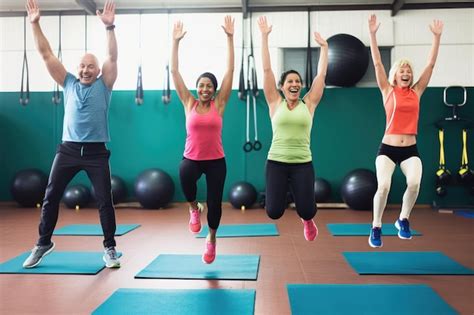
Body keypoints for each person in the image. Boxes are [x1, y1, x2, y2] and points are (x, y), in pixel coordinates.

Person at [23, 0, 120, 268]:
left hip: (96, 152)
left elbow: (112, 57)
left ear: (98, 71)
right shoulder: (67, 83)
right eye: (82, 66)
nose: (85, 70)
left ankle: (110, 248)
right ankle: (43, 243)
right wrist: (35, 24)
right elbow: (46, 54)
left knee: (104, 201)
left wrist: (110, 27)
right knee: (51, 195)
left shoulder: (105, 85)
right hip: (67, 150)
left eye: (91, 66)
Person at [368, 14, 443, 247]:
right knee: (384, 186)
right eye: (402, 69)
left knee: (414, 183)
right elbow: (378, 63)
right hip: (387, 148)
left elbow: (430, 65)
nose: (406, 72)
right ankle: (376, 226)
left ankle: (403, 220)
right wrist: (372, 34)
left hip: (410, 149)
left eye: (409, 70)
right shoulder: (387, 90)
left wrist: (437, 38)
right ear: (395, 74)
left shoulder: (416, 91)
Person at [257, 16, 328, 241]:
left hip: (302, 163)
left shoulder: (309, 104)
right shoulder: (274, 103)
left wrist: (325, 49)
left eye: (298, 81)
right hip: (276, 162)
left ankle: (307, 221)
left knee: (307, 210)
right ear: (282, 86)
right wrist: (265, 37)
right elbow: (267, 70)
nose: (295, 84)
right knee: (274, 212)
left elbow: (321, 76)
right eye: (290, 81)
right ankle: (299, 215)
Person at [171, 16, 234, 264]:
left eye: (209, 86)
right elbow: (175, 71)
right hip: (192, 159)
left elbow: (230, 71)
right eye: (201, 85)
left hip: (216, 160)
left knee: (216, 204)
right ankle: (193, 208)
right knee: (185, 174)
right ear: (196, 88)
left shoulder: (220, 103)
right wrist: (175, 42)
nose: (204, 89)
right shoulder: (189, 103)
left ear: (214, 89)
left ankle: (212, 238)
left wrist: (230, 38)